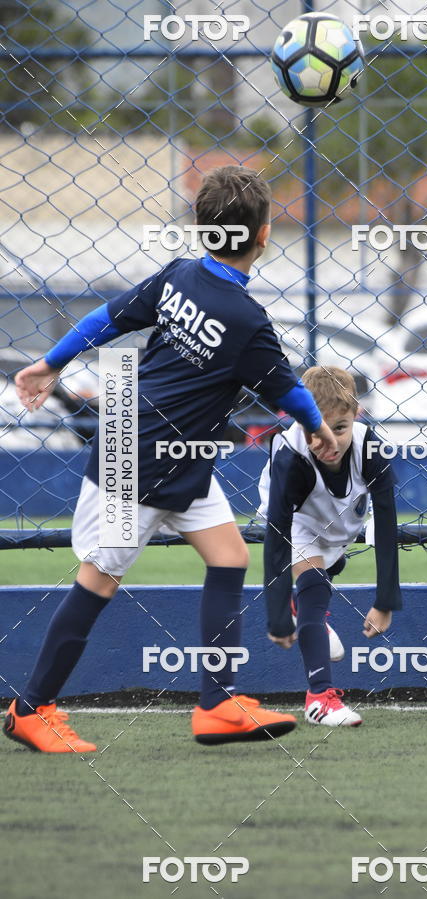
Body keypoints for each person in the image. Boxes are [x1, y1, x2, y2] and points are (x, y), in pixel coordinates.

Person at [3, 165, 337, 753]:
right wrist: (319, 430)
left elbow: (105, 319)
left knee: (229, 556)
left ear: (202, 229)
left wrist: (51, 361)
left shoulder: (180, 274)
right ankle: (32, 709)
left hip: (176, 457)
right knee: (99, 578)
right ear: (264, 236)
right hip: (140, 459)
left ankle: (214, 704)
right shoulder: (248, 321)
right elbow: (290, 394)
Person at [258, 366, 402, 727]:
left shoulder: (371, 448)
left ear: (356, 415)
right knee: (314, 584)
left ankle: (308, 612)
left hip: (342, 523)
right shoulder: (289, 458)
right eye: (316, 432)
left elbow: (386, 526)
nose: (330, 443)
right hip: (298, 520)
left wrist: (385, 601)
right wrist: (276, 614)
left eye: (340, 428)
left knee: (325, 575)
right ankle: (319, 699)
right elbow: (277, 535)